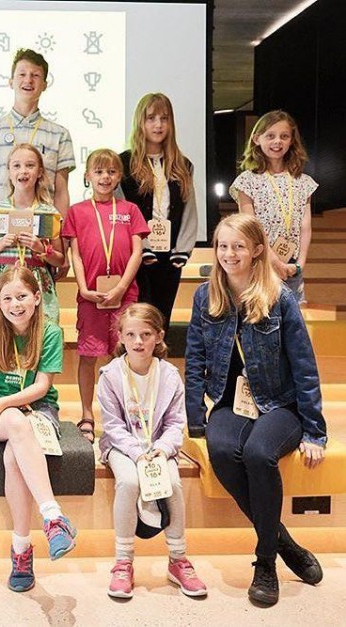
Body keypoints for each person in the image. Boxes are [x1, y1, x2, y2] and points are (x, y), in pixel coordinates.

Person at [185, 213, 326, 605]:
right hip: (230, 401)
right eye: (223, 246)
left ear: (257, 250)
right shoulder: (205, 297)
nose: (229, 254)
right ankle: (285, 543)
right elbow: (195, 361)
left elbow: (304, 366)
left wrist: (315, 432)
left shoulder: (279, 297)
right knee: (221, 450)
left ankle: (265, 562)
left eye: (239, 246)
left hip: (280, 403)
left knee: (258, 453)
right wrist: (196, 420)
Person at [0, 267, 76, 593]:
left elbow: (42, 387)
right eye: (7, 298)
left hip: (39, 408)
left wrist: (7, 403)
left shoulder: (50, 332)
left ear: (37, 297)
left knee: (13, 458)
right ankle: (53, 517)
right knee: (16, 422)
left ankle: (21, 552)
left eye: (21, 296)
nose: (14, 304)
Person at [98, 303, 206, 599]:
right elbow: (112, 426)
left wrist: (161, 448)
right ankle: (123, 562)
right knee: (129, 481)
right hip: (122, 447)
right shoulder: (110, 374)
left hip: (158, 447)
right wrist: (136, 452)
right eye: (131, 335)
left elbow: (175, 423)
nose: (138, 341)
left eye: (146, 334)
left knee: (173, 483)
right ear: (120, 337)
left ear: (159, 336)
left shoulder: (169, 375)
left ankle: (178, 559)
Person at [62, 149, 149, 443]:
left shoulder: (130, 210)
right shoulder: (77, 211)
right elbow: (75, 254)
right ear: (87, 176)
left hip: (124, 296)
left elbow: (137, 252)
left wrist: (121, 287)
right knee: (88, 356)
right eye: (98, 171)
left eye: (111, 171)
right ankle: (87, 415)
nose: (105, 177)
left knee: (125, 356)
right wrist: (83, 288)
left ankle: (124, 416)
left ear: (119, 176)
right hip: (92, 296)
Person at [0, 48, 75, 278]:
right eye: (22, 74)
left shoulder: (60, 134)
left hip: (41, 245)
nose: (28, 80)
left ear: (45, 84)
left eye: (35, 75)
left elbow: (61, 193)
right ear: (11, 81)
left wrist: (63, 248)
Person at [119, 93, 197, 330]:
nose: (158, 125)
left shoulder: (183, 165)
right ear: (140, 122)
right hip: (136, 256)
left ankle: (159, 356)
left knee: (162, 320)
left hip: (170, 257)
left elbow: (190, 211)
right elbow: (122, 211)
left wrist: (182, 250)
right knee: (139, 319)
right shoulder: (124, 164)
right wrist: (141, 248)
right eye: (151, 118)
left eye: (164, 118)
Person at [230, 110, 317, 302]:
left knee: (292, 316)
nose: (277, 141)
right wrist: (274, 261)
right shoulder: (247, 181)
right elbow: (251, 228)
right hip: (260, 262)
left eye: (284, 136)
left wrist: (299, 264)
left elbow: (305, 226)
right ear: (256, 139)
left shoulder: (303, 182)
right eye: (270, 136)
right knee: (261, 314)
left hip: (291, 266)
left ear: (291, 140)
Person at [0, 143, 65, 323]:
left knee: (40, 330)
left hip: (36, 279)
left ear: (39, 172)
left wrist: (41, 249)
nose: (23, 171)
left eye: (30, 165)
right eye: (16, 165)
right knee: (0, 330)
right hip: (3, 277)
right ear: (9, 171)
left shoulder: (48, 213)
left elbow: (60, 259)